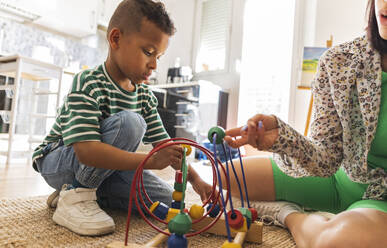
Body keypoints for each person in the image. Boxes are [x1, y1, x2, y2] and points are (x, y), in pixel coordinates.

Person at [32, 0, 212, 236]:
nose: (154, 64)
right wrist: (148, 162)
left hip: (106, 169)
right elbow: (86, 151)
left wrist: (196, 180)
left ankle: (80, 191)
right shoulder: (88, 82)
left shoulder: (144, 96)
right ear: (115, 39)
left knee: (164, 199)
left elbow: (167, 147)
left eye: (159, 56)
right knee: (130, 123)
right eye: (148, 52)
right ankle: (77, 196)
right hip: (59, 160)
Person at [224, 0, 387, 247]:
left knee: (335, 241)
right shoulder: (339, 61)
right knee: (226, 178)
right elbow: (326, 159)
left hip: (381, 200)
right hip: (339, 180)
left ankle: (289, 215)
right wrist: (283, 139)